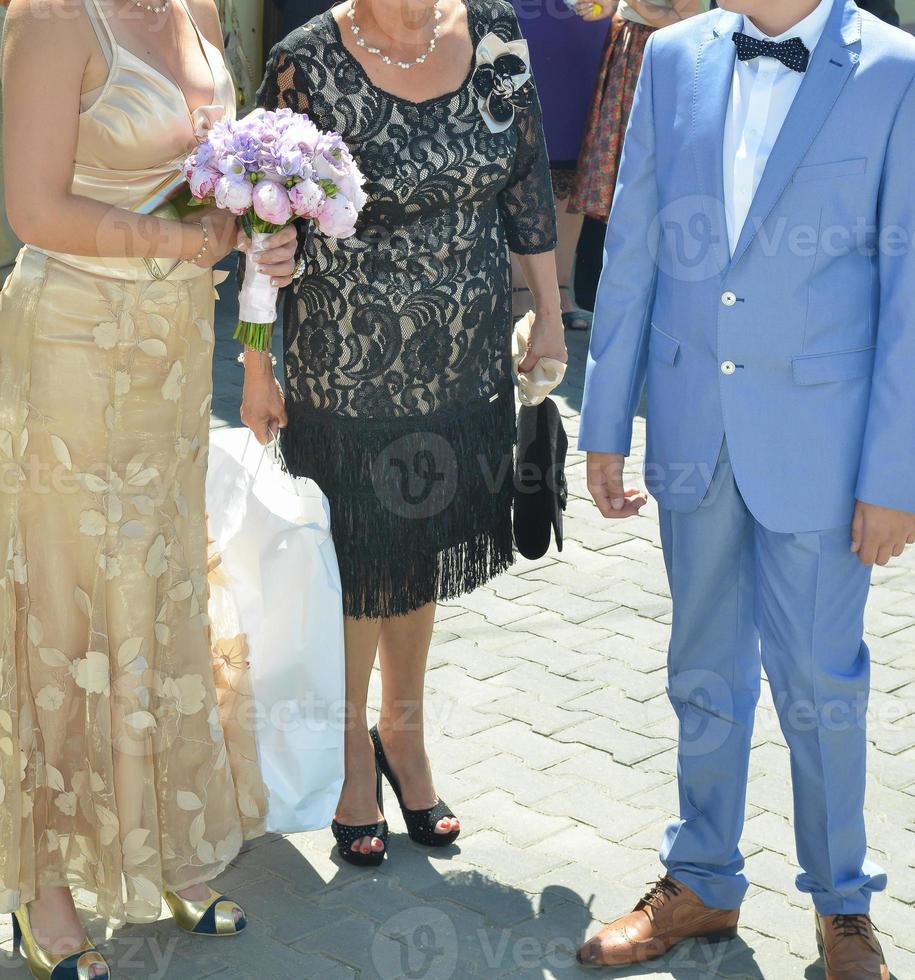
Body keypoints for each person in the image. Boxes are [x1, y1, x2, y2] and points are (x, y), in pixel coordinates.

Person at [577, 0, 915, 974]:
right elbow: (632, 235)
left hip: (825, 437)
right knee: (703, 666)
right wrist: (604, 418)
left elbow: (906, 289)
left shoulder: (894, 69)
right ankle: (701, 880)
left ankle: (843, 906)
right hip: (692, 423)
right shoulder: (673, 56)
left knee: (821, 681)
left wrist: (894, 473)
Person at [0, 0, 298, 974]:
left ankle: (163, 845)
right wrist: (177, 241)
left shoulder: (201, 12)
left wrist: (257, 331)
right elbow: (33, 209)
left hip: (176, 357)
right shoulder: (51, 21)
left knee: (163, 591)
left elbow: (231, 198)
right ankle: (42, 882)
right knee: (67, 604)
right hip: (73, 352)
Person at [243, 0, 565, 867]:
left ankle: (403, 733)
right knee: (356, 554)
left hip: (460, 352)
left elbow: (525, 178)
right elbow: (263, 217)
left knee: (417, 541)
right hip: (343, 358)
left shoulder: (495, 32)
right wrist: (253, 363)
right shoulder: (304, 57)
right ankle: (351, 752)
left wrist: (547, 311)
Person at [509, 0, 607, 331]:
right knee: (522, 162)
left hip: (588, 29)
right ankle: (521, 290)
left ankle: (562, 289)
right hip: (523, 24)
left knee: (574, 163)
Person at [569, 0, 701, 222]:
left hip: (656, 58)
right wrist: (609, 7)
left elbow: (686, 22)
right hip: (628, 51)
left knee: (643, 173)